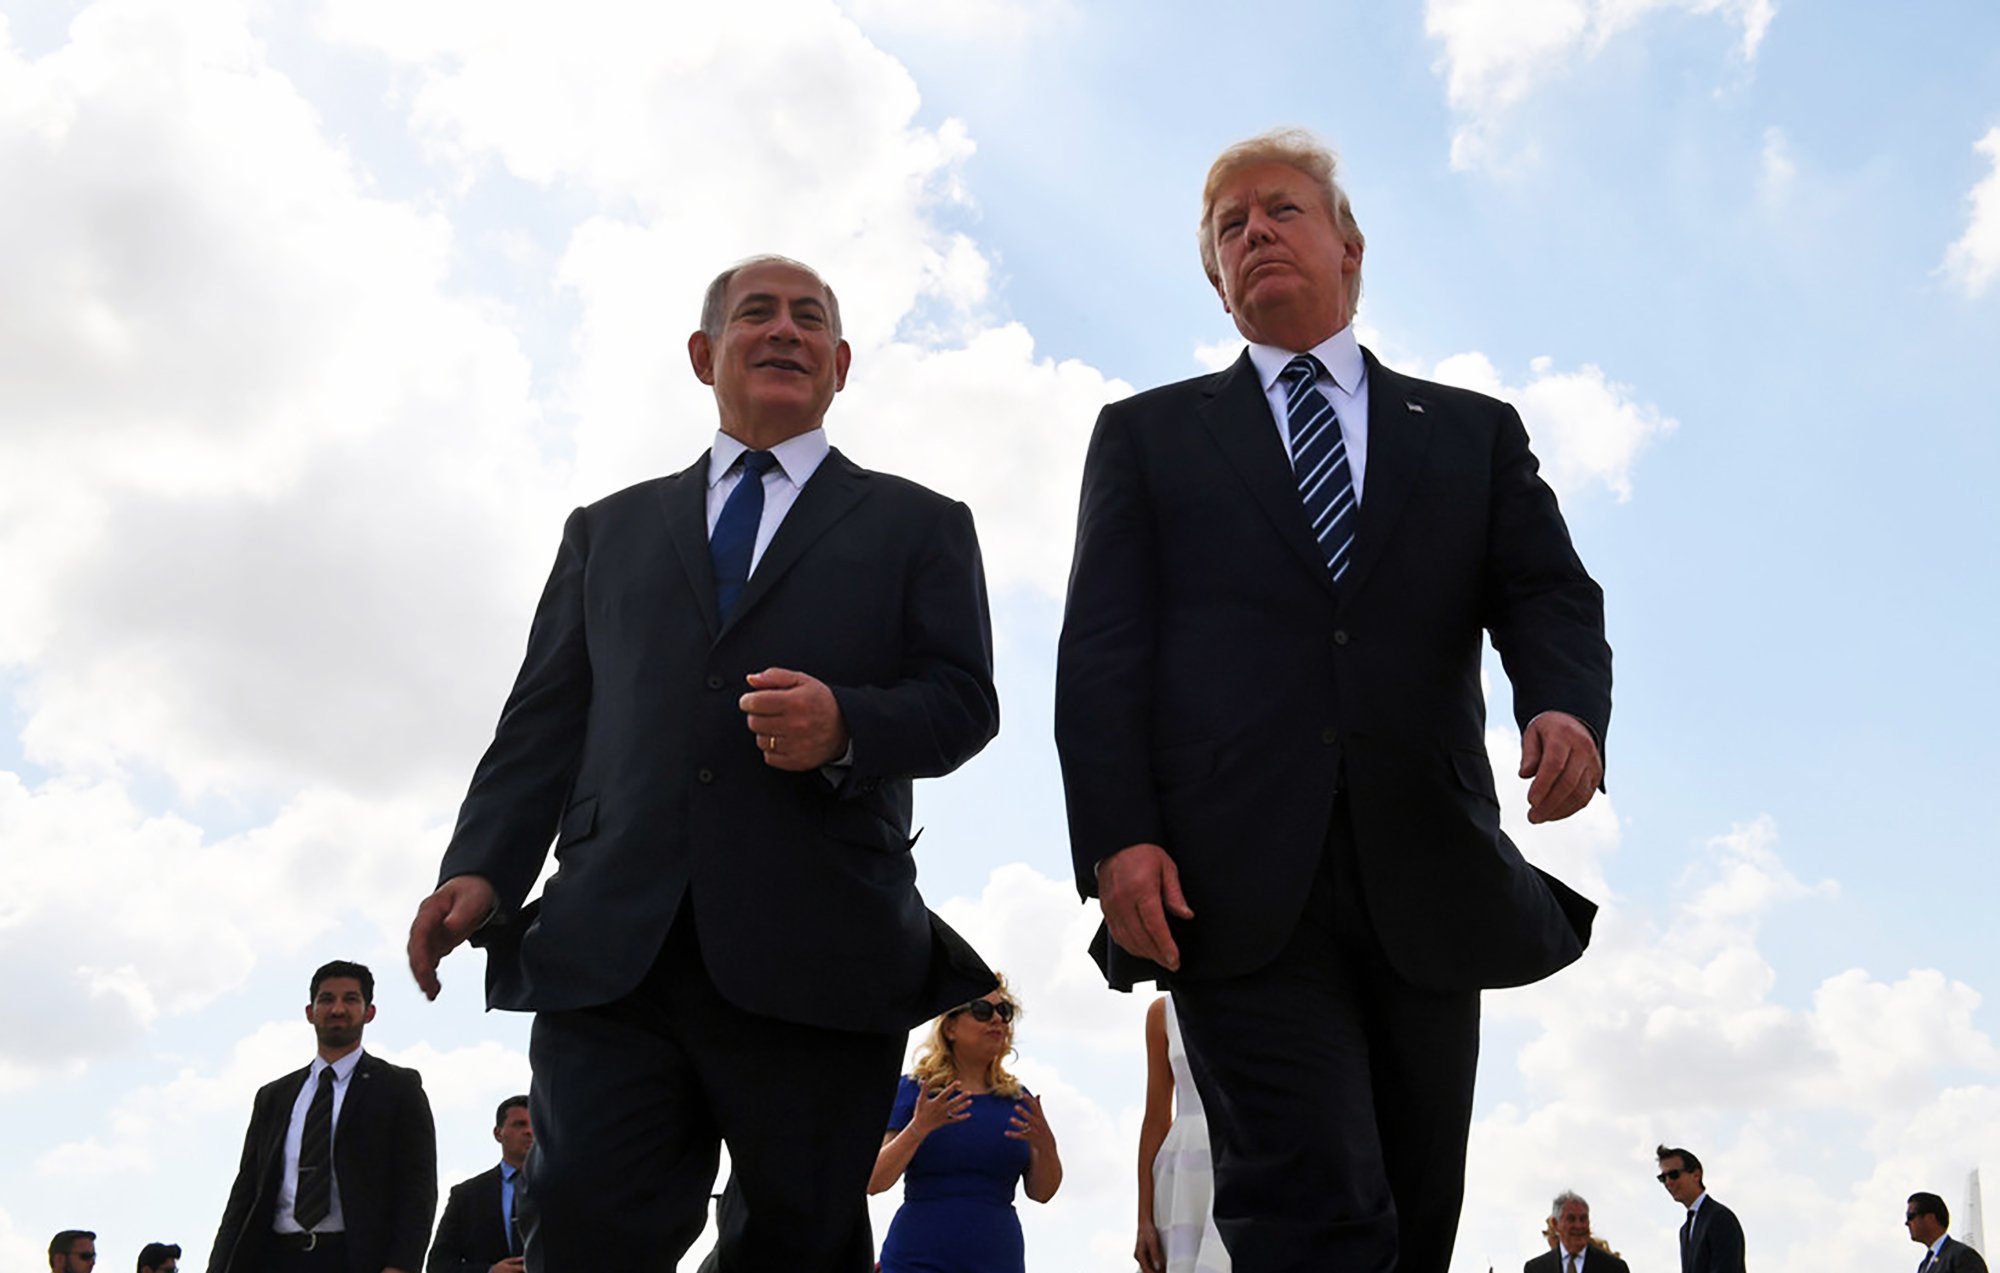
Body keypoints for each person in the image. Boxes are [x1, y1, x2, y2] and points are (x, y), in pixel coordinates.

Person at [1054, 127, 1610, 1273]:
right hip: (1235, 888)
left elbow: (1546, 591)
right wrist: (1116, 837)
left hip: (1429, 868)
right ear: (1215, 281)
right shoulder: (1147, 438)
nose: (1253, 231)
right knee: (1310, 1208)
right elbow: (1100, 653)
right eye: (1228, 226)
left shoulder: (1469, 433)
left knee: (1410, 1215)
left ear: (1348, 247)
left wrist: (1562, 707)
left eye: (1280, 210)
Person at [407, 255, 1001, 1272]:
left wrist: (845, 723)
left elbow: (962, 704)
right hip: (612, 954)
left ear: (840, 363)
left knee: (796, 1245)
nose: (784, 331)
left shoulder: (920, 525)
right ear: (703, 353)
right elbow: (543, 722)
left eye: (808, 319)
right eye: (755, 315)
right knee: (587, 1231)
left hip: (819, 947)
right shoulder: (607, 531)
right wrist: (483, 868)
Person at [207, 960, 437, 1273]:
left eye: (350, 999)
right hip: (275, 1257)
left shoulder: (398, 1089)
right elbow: (246, 1191)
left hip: (353, 1257)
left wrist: (402, 1265)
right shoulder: (274, 1097)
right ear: (310, 1012)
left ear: (369, 1012)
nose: (338, 1009)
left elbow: (417, 1188)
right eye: (327, 999)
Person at [869, 981, 1062, 1272]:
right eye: (982, 1011)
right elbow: (875, 1182)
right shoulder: (915, 1090)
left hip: (997, 1260)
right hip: (917, 1259)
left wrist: (1047, 1146)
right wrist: (918, 1129)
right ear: (950, 1028)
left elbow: (1042, 1192)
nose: (997, 1019)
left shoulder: (1018, 1099)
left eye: (1004, 1011)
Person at [1135, 996, 1226, 1273]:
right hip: (1183, 1185)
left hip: (1251, 1159)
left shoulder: (1271, 995)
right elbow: (1155, 1119)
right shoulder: (1164, 1012)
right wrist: (1144, 1220)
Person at [427, 1096, 533, 1273]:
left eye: (536, 1124)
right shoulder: (467, 1196)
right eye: (519, 1124)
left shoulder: (565, 1189)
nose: (530, 1131)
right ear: (498, 1133)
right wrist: (489, 1271)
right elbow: (439, 1265)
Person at [1656, 1145, 1744, 1273]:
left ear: (1696, 1175)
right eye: (1663, 1178)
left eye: (1674, 1175)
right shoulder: (1685, 1230)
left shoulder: (1720, 1218)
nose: (1668, 1182)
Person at [1525, 1192, 1626, 1273]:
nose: (1579, 1226)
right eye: (1571, 1219)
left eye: (1583, 1219)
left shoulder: (1614, 1268)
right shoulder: (1536, 1269)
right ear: (1555, 1224)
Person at [1907, 1191, 1988, 1273]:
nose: (1907, 1223)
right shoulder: (1924, 1266)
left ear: (1930, 1218)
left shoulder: (1962, 1256)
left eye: (1910, 1216)